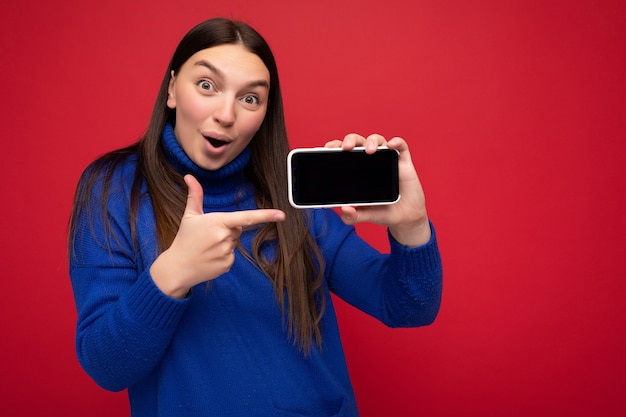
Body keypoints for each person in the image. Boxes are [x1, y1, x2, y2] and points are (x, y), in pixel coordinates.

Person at [68, 17, 442, 417]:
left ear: (264, 113)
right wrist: (172, 274)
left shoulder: (288, 194)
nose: (226, 114)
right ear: (173, 88)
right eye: (207, 86)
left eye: (250, 98)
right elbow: (107, 367)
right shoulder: (112, 188)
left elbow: (409, 307)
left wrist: (411, 226)